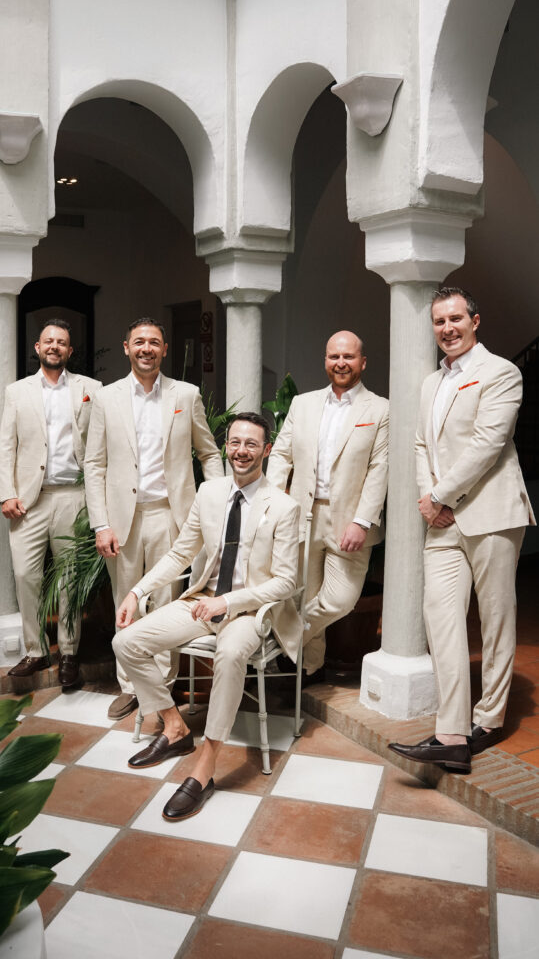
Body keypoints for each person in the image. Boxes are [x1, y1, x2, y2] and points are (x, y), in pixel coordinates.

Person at [113, 412, 300, 820]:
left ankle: (205, 767)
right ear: (226, 446)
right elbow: (181, 553)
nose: (241, 451)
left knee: (231, 655)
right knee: (125, 642)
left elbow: (285, 582)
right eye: (235, 442)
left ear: (266, 451)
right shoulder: (210, 493)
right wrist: (136, 591)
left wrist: (229, 604)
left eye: (251, 444)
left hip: (250, 611)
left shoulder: (284, 507)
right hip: (202, 600)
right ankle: (174, 727)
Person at [389, 288, 535, 773]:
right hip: (442, 518)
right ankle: (451, 733)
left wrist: (441, 496)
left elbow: (488, 445)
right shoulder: (432, 382)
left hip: (491, 513)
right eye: (439, 321)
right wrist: (430, 500)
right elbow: (418, 444)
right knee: (442, 618)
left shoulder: (501, 373)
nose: (447, 328)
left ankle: (489, 719)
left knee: (496, 619)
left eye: (455, 319)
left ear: (475, 320)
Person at [84, 316, 223, 720]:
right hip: (121, 522)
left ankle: (159, 693)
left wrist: (217, 501)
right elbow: (94, 465)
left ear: (165, 349)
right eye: (139, 342)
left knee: (165, 606)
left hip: (171, 516)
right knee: (125, 604)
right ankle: (131, 686)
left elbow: (208, 453)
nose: (147, 348)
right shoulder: (106, 398)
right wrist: (101, 524)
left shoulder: (187, 394)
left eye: (155, 342)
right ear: (126, 347)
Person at [267, 331, 388, 684]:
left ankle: (285, 638)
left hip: (349, 522)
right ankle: (310, 666)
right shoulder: (302, 404)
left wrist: (362, 521)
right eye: (334, 356)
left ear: (362, 362)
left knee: (340, 600)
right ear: (325, 360)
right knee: (302, 592)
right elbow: (282, 455)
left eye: (349, 357)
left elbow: (379, 470)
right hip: (301, 515)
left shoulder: (380, 409)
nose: (341, 363)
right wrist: (273, 506)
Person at [0, 319, 102, 689]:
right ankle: (36, 649)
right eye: (48, 341)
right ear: (37, 349)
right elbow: (6, 446)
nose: (54, 346)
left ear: (70, 352)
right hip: (29, 500)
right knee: (26, 575)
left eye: (62, 342)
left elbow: (102, 444)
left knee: (69, 581)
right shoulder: (17, 392)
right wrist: (7, 493)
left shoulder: (92, 389)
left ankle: (69, 653)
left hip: (74, 497)